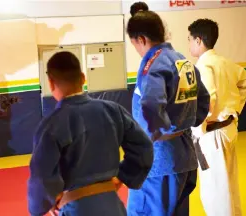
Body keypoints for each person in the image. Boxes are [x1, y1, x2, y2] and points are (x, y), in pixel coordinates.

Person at [27, 51, 154, 216]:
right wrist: (122, 176)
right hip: (113, 206)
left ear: (51, 83)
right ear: (83, 77)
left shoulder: (51, 125)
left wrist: (47, 200)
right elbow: (144, 147)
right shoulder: (112, 110)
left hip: (77, 208)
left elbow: (41, 176)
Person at [123, 11, 210, 215]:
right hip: (184, 158)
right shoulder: (182, 62)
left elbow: (151, 108)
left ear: (141, 39)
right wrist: (183, 124)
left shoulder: (153, 65)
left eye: (134, 43)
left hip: (158, 164)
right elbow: (204, 102)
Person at [188, 18, 246, 216]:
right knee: (228, 183)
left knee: (215, 189)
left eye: (190, 40)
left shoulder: (204, 65)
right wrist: (234, 109)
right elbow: (244, 82)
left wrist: (197, 129)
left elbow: (209, 99)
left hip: (212, 134)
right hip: (228, 128)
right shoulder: (225, 62)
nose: (189, 44)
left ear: (198, 40)